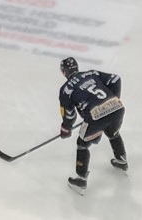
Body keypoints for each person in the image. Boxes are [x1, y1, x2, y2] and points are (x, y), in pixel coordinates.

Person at [58, 57, 127, 194]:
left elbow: (69, 116)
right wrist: (113, 98)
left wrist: (66, 128)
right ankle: (122, 160)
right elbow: (115, 79)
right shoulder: (91, 73)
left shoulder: (66, 89)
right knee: (113, 133)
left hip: (95, 116)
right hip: (117, 108)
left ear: (64, 71)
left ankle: (81, 180)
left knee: (82, 143)